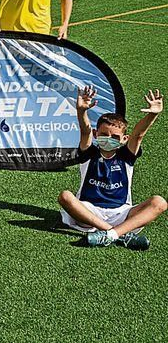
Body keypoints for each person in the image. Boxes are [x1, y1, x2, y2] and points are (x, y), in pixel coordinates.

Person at [61, 85, 164, 248]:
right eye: (103, 134)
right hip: (89, 212)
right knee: (65, 196)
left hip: (122, 213)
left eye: (115, 137)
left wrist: (153, 114)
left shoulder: (126, 156)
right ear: (96, 134)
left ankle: (110, 234)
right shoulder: (89, 153)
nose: (109, 139)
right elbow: (85, 131)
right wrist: (81, 111)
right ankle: (119, 235)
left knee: (159, 202)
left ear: (124, 139)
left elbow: (138, 135)